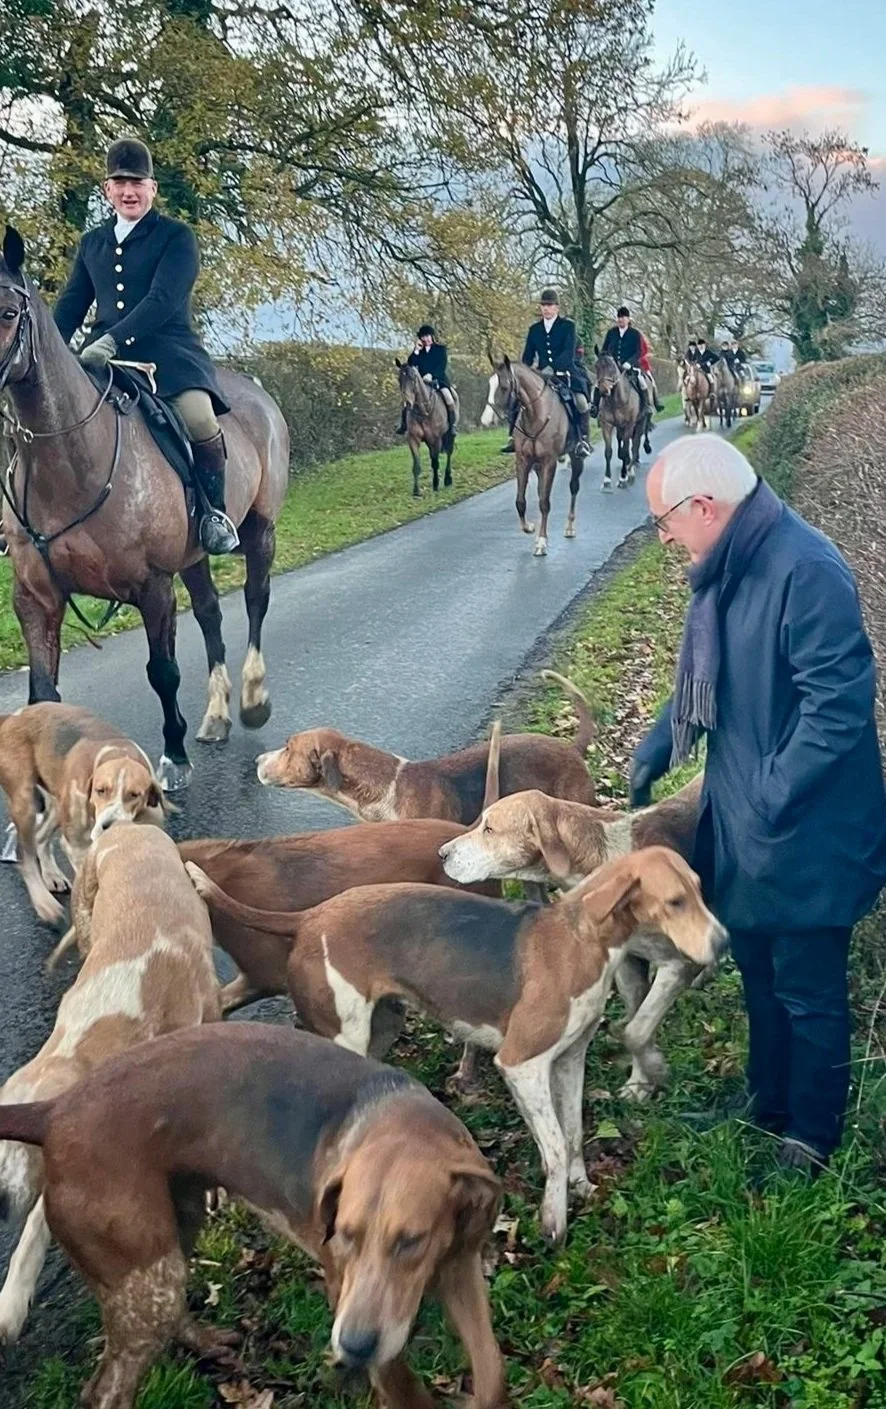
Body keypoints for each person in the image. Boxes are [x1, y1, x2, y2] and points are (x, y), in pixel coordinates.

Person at [631, 434, 886, 1177]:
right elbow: (711, 679)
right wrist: (662, 740)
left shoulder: (806, 570)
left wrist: (769, 792)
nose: (664, 536)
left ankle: (810, 1136)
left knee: (807, 987)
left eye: (665, 520)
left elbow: (838, 709)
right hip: (746, 823)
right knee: (760, 973)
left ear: (705, 507)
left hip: (808, 831)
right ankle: (766, 1103)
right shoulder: (730, 566)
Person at [52, 137, 239, 555]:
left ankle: (214, 513)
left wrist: (111, 340)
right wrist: (46, 351)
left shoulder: (176, 237)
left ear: (152, 188)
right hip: (100, 361)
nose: (129, 191)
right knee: (44, 412)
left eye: (137, 183)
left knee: (199, 419)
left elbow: (163, 300)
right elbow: (71, 304)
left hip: (169, 358)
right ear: (107, 190)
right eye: (120, 183)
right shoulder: (92, 243)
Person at [500, 289, 590, 456]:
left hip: (564, 374)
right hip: (541, 376)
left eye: (550, 305)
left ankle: (582, 439)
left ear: (557, 308)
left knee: (581, 402)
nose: (546, 308)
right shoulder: (534, 329)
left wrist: (553, 367)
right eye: (543, 305)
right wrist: (525, 372)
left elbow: (568, 353)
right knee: (517, 396)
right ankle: (513, 437)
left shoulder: (568, 326)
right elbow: (527, 356)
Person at [591, 306, 664, 421]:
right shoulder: (611, 333)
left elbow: (639, 352)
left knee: (642, 381)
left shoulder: (635, 334)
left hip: (630, 366)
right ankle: (595, 408)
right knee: (599, 383)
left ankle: (648, 406)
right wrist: (605, 359)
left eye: (623, 317)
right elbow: (605, 349)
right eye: (619, 317)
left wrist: (629, 363)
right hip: (613, 367)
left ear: (628, 319)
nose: (620, 319)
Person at [396, 324, 456, 440]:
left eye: (427, 336)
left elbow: (442, 365)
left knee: (449, 399)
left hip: (439, 380)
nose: (425, 339)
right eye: (423, 337)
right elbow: (411, 365)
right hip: (422, 383)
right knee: (408, 400)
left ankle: (452, 426)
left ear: (432, 336)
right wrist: (416, 350)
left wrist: (432, 375)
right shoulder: (419, 351)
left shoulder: (440, 349)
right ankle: (403, 425)